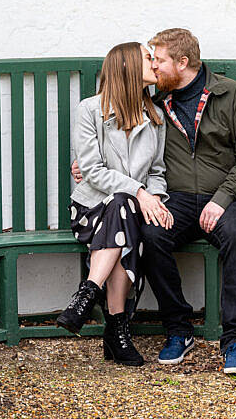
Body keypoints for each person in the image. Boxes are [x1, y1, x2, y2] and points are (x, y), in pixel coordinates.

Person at [74, 28, 236, 374]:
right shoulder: (155, 104)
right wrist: (83, 166)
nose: (154, 66)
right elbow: (120, 142)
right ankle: (178, 328)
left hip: (227, 199)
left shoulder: (232, 96)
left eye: (159, 60)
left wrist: (222, 198)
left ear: (182, 62)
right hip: (175, 199)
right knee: (151, 234)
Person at [56, 41, 174, 367]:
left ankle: (88, 293)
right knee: (121, 208)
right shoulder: (90, 110)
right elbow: (91, 171)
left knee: (123, 210)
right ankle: (117, 332)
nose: (154, 62)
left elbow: (158, 173)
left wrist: (156, 201)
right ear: (127, 67)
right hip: (91, 208)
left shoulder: (156, 117)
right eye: (148, 58)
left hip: (131, 210)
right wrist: (139, 192)